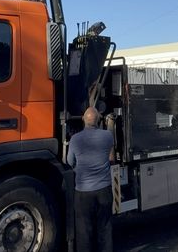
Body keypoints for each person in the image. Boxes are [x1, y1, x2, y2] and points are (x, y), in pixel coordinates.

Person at [66, 106, 115, 252]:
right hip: (104, 190)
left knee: (84, 231)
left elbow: (69, 162)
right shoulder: (108, 136)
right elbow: (111, 158)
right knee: (105, 228)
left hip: (83, 193)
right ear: (99, 120)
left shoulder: (75, 140)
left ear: (83, 119)